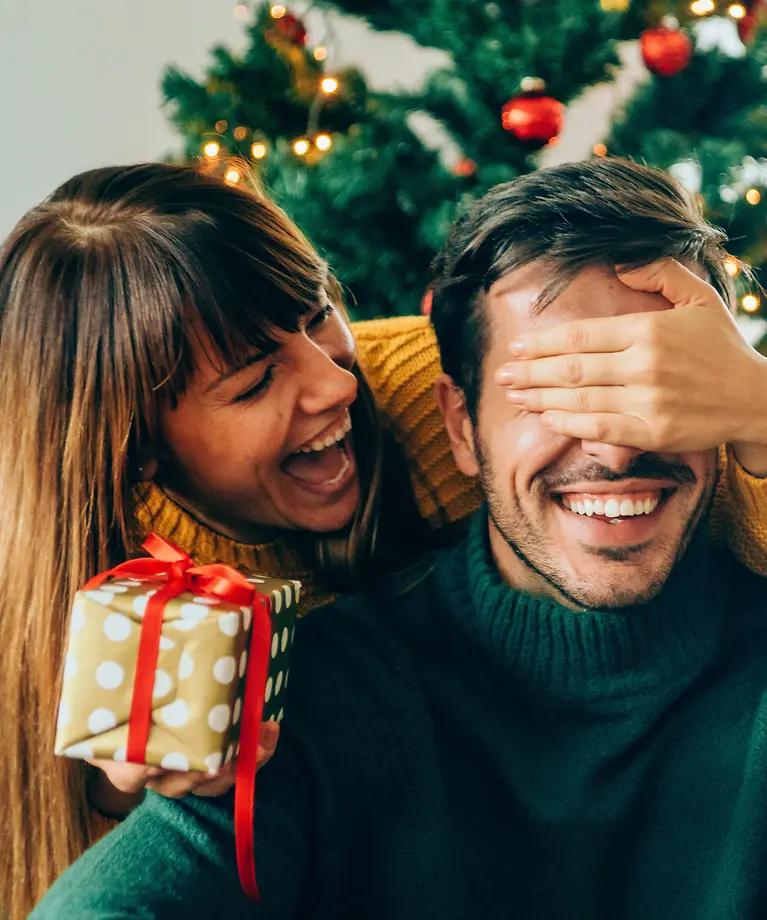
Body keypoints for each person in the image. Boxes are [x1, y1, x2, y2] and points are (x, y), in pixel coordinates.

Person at [27, 159, 767, 920]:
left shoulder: (394, 380)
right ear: (462, 423)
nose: (334, 388)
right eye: (552, 396)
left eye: (648, 393)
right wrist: (123, 768)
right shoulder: (305, 691)